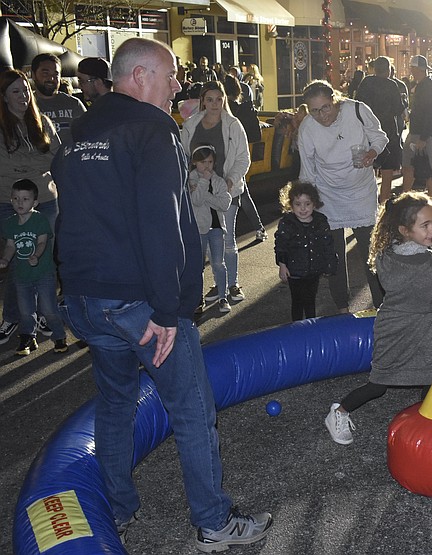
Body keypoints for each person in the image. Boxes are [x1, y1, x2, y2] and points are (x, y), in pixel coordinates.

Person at [50, 37, 272, 551]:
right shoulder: (152, 127)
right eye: (170, 76)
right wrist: (171, 310)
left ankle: (119, 508)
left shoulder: (80, 128)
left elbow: (71, 216)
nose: (178, 86)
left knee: (115, 403)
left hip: (86, 299)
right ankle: (214, 522)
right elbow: (165, 221)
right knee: (191, 408)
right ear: (139, 76)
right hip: (139, 302)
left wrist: (74, 291)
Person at [324, 192, 432, 444]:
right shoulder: (426, 270)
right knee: (378, 385)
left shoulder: (391, 252)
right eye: (425, 225)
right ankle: (339, 412)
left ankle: (427, 426)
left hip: (419, 329)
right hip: (401, 334)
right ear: (404, 230)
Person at [297, 79, 387, 313]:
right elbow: (307, 171)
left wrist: (372, 151)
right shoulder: (307, 128)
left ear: (335, 100)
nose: (321, 115)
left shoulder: (357, 110)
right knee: (333, 256)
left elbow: (380, 136)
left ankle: (382, 305)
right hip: (328, 195)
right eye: (314, 111)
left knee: (370, 250)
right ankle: (342, 309)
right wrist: (306, 205)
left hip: (361, 192)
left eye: (325, 107)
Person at [0, 68, 60, 344]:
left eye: (25, 89)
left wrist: (24, 167)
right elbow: (5, 165)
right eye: (16, 91)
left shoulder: (43, 122)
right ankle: (13, 316)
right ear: (3, 96)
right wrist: (34, 167)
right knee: (17, 262)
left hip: (46, 202)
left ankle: (43, 313)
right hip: (7, 203)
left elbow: (55, 158)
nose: (23, 95)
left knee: (43, 260)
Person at [180, 80, 252, 303]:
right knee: (208, 242)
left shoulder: (233, 125)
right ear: (202, 101)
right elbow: (183, 155)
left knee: (228, 240)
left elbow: (243, 158)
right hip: (199, 192)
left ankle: (233, 284)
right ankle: (219, 283)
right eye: (209, 99)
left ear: (224, 100)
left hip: (224, 191)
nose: (214, 104)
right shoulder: (192, 124)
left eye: (219, 99)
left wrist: (230, 180)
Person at [0, 179, 67, 355]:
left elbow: (43, 241)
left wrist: (36, 255)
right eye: (15, 199)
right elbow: (10, 245)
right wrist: (5, 260)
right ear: (11, 200)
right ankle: (28, 338)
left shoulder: (40, 219)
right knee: (25, 310)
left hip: (43, 273)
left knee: (48, 309)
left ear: (35, 202)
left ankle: (59, 337)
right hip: (22, 276)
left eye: (25, 199)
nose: (20, 203)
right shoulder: (10, 223)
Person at [274, 180, 338, 321]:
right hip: (294, 270)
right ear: (290, 205)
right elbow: (281, 245)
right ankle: (297, 327)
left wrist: (330, 264)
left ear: (314, 204)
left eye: (307, 204)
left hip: (313, 270)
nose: (303, 209)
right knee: (297, 300)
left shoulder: (320, 221)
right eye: (298, 204)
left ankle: (310, 325)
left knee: (310, 300)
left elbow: (327, 243)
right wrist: (282, 265)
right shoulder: (287, 223)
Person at [187, 144, 233, 314]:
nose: (206, 166)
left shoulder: (219, 181)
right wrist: (204, 183)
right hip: (198, 228)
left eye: (210, 161)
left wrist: (203, 191)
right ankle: (197, 299)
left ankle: (223, 296)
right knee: (197, 265)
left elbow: (224, 204)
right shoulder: (190, 180)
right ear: (194, 163)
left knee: (218, 264)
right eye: (202, 162)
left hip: (217, 227)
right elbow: (196, 202)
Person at [355, 56, 405, 203]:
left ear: (374, 69)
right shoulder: (392, 85)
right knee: (387, 170)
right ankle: (383, 202)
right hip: (387, 130)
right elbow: (398, 109)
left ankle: (367, 201)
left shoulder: (366, 82)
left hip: (367, 130)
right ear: (388, 70)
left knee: (368, 166)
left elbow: (358, 103)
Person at [401, 55, 432, 199]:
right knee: (415, 165)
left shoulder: (427, 86)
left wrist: (423, 138)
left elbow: (429, 113)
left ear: (416, 69)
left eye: (412, 68)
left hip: (424, 133)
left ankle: (429, 197)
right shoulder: (424, 85)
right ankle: (408, 195)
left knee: (425, 166)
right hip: (419, 132)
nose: (411, 70)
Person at [30, 53, 86, 145]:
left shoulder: (74, 104)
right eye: (45, 73)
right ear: (33, 74)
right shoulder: (26, 104)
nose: (51, 78)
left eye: (56, 74)